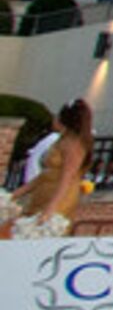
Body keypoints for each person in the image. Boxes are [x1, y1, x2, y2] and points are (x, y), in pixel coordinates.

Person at [3, 100, 95, 237]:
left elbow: (67, 178)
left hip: (58, 197)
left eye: (58, 116)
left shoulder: (74, 145)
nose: (54, 119)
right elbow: (44, 175)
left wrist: (51, 208)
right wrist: (15, 194)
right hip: (43, 192)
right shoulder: (61, 140)